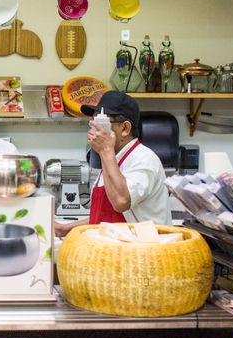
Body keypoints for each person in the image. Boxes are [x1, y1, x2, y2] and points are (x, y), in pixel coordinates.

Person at [55, 91, 171, 238]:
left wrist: (105, 150)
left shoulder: (144, 159)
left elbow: (121, 201)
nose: (95, 131)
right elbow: (104, 219)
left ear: (125, 129)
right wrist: (65, 229)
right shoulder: (112, 158)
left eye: (102, 124)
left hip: (141, 255)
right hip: (114, 253)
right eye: (94, 123)